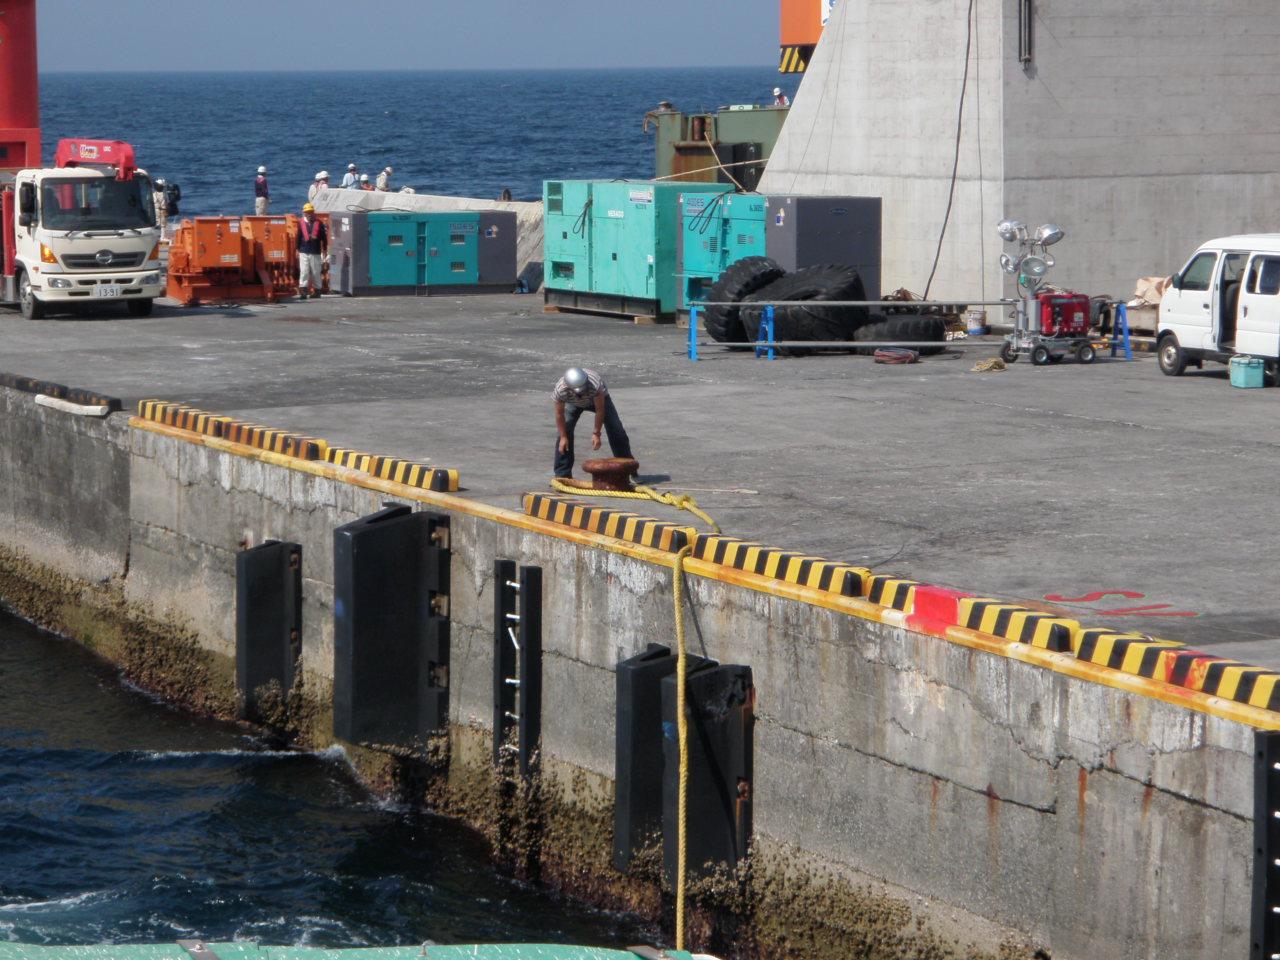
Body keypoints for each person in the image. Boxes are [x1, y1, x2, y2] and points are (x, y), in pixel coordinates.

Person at [552, 367, 632, 478]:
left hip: (598, 401)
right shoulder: (560, 390)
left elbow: (600, 410)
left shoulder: (594, 384)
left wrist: (596, 433)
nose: (582, 393)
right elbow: (559, 415)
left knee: (616, 428)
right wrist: (563, 436)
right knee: (564, 432)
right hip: (573, 403)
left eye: (583, 389)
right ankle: (562, 475)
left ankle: (628, 470)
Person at [297, 203, 328, 299]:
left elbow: (324, 238)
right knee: (304, 271)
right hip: (304, 251)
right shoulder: (301, 223)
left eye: (310, 212)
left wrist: (325, 249)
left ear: (313, 212)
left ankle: (317, 291)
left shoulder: (319, 223)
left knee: (316, 272)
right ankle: (303, 291)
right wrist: (297, 249)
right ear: (304, 213)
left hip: (315, 251)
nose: (309, 214)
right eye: (307, 212)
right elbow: (298, 237)